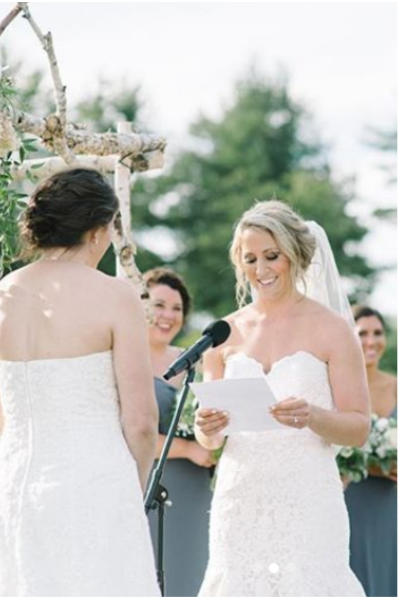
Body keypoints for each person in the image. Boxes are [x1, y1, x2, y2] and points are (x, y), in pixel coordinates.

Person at [0, 168, 159, 596]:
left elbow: (2, 422)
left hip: (14, 486)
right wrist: (134, 484)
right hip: (97, 486)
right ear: (96, 231)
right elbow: (142, 422)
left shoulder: (0, 296)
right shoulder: (116, 295)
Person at [194, 200, 369, 596]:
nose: (261, 270)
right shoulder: (224, 332)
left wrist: (313, 416)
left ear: (295, 254)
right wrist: (208, 428)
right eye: (250, 258)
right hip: (239, 499)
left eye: (272, 256)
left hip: (307, 496)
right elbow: (209, 441)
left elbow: (358, 427)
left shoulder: (333, 330)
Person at [143, 267, 213, 596]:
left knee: (195, 576)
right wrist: (189, 450)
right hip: (148, 488)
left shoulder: (195, 364)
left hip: (199, 490)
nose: (168, 316)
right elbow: (129, 436)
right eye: (159, 305)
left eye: (177, 308)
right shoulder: (126, 362)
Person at [344, 305, 397, 597]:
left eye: (377, 333)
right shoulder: (337, 387)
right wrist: (376, 466)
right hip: (347, 497)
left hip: (388, 506)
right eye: (362, 333)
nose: (371, 341)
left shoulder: (396, 386)